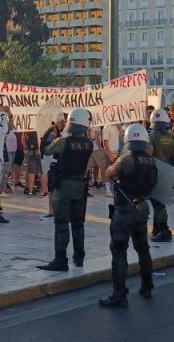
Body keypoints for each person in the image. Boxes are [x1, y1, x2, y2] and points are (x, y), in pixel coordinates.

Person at [99, 124, 157, 308]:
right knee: (143, 248)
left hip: (125, 210)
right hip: (143, 207)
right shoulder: (151, 161)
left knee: (119, 251)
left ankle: (119, 294)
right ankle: (147, 286)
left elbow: (107, 174)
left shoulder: (126, 160)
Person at [38, 108, 94, 272]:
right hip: (79, 186)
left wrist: (52, 130)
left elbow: (45, 149)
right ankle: (79, 257)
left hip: (64, 187)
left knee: (61, 223)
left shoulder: (63, 141)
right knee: (78, 224)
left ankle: (60, 259)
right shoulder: (89, 143)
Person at [147, 109, 174, 243]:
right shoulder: (171, 135)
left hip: (156, 172)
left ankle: (164, 230)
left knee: (158, 203)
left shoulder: (153, 135)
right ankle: (156, 229)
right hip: (168, 171)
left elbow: (149, 154)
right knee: (160, 200)